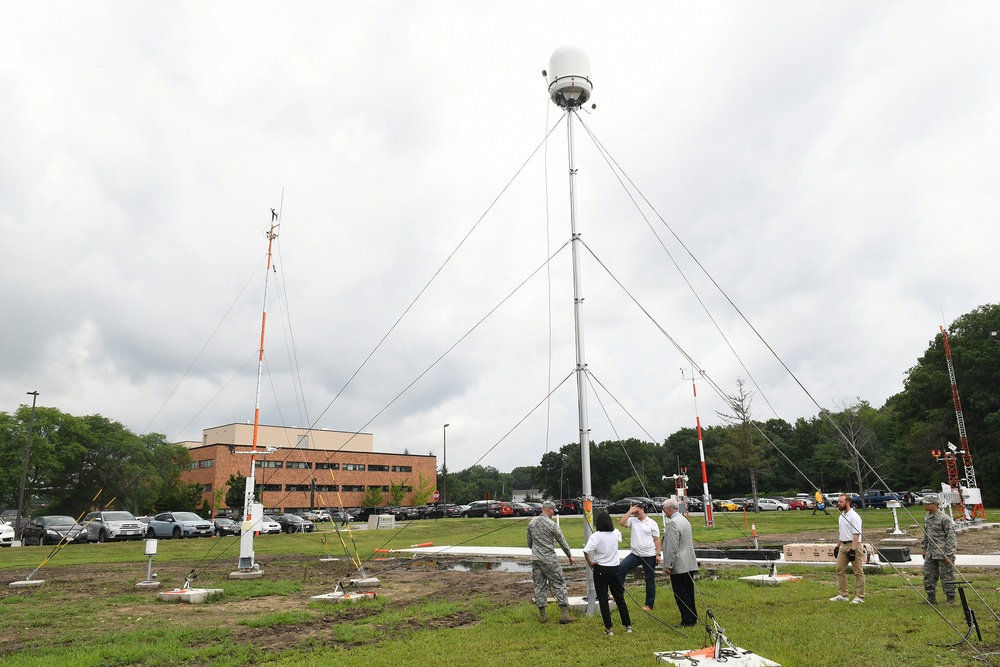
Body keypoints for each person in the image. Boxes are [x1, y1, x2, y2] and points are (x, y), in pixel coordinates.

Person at [583, 510, 632, 636]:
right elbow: (619, 538)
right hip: (615, 569)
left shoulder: (596, 536)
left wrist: (590, 562)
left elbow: (586, 550)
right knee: (619, 597)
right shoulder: (616, 533)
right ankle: (628, 626)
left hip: (600, 569)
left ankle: (609, 629)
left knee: (603, 599)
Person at [527, 500, 576, 624]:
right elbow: (562, 541)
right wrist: (569, 555)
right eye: (553, 511)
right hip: (549, 559)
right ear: (549, 510)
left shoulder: (531, 523)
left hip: (535, 559)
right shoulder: (552, 524)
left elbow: (529, 543)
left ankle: (542, 615)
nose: (553, 514)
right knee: (559, 583)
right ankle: (564, 614)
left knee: (539, 586)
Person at [662, 498, 699, 626]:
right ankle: (692, 616)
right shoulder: (684, 520)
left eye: (664, 510)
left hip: (679, 564)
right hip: (688, 562)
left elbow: (672, 546)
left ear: (668, 509)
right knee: (689, 591)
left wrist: (668, 565)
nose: (664, 513)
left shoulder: (673, 523)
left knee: (681, 593)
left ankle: (687, 619)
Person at [619, 501, 661, 611]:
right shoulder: (633, 521)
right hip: (635, 554)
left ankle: (649, 604)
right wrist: (630, 511)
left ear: (642, 509)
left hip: (649, 555)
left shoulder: (652, 523)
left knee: (649, 579)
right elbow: (622, 522)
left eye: (637, 511)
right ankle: (619, 593)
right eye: (634, 511)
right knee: (621, 568)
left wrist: (658, 554)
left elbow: (657, 540)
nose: (635, 513)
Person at [920, 493, 958, 605]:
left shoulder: (944, 518)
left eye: (927, 504)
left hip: (943, 552)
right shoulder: (927, 517)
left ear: (935, 504)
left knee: (947, 576)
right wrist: (924, 549)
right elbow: (926, 534)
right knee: (929, 575)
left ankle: (951, 599)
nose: (925, 506)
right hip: (931, 552)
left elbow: (951, 537)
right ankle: (931, 598)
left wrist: (949, 554)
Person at [829, 493, 866, 604]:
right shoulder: (841, 515)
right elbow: (842, 533)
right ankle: (843, 595)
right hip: (843, 545)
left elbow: (856, 534)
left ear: (847, 502)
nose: (838, 503)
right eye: (838, 501)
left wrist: (853, 550)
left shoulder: (854, 517)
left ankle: (860, 597)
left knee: (858, 572)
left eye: (841, 501)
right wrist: (837, 546)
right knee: (839, 570)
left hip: (853, 545)